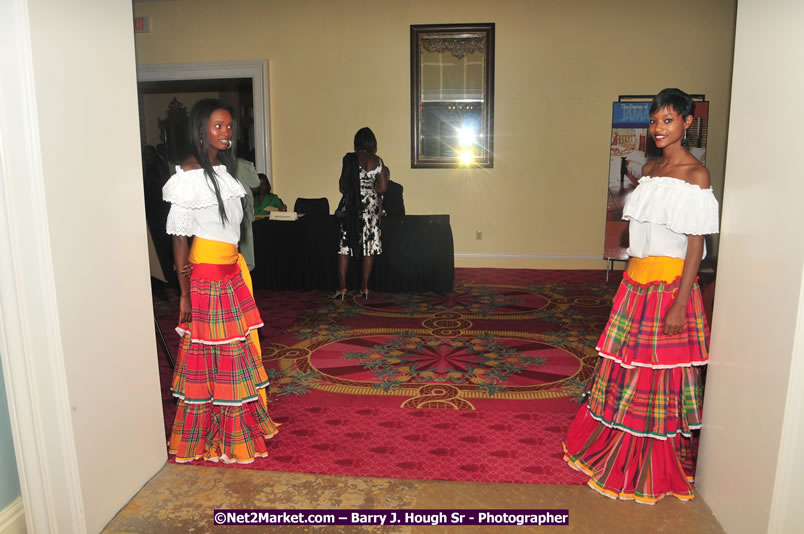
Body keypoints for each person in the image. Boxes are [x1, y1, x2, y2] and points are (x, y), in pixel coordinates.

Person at [563, 88, 719, 504]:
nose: (658, 128)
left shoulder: (696, 176)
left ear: (687, 122)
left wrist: (681, 303)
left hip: (669, 287)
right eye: (654, 121)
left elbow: (695, 247)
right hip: (635, 284)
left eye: (668, 120)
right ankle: (615, 441)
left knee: (655, 376)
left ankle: (648, 459)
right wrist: (627, 288)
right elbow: (639, 239)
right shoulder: (648, 170)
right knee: (623, 368)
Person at [162, 98, 278, 464]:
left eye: (229, 126)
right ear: (201, 130)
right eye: (218, 126)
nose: (226, 132)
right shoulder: (188, 175)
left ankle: (234, 430)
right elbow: (179, 239)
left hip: (230, 273)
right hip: (207, 277)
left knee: (232, 356)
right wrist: (184, 294)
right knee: (216, 359)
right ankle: (216, 436)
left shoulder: (223, 172)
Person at [333, 127, 389, 299]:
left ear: (356, 142)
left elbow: (342, 185)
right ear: (373, 143)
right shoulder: (378, 160)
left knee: (344, 247)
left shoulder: (349, 159)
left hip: (352, 206)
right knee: (369, 247)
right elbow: (383, 187)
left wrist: (354, 189)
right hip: (371, 208)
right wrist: (370, 190)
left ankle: (342, 287)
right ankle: (364, 287)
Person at [234, 158, 261, 271]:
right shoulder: (242, 164)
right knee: (246, 250)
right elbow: (256, 183)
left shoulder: (212, 162)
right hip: (241, 208)